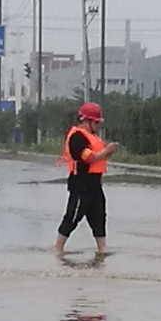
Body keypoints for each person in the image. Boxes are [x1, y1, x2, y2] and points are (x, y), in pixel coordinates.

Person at [55, 99, 110, 256]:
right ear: (87, 121)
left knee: (99, 216)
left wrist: (107, 152)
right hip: (81, 185)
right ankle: (58, 249)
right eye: (96, 123)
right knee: (73, 216)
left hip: (94, 184)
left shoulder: (91, 136)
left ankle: (102, 250)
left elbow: (97, 159)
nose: (98, 126)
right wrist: (107, 151)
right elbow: (89, 158)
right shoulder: (76, 137)